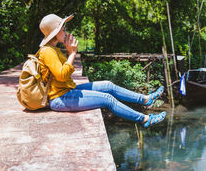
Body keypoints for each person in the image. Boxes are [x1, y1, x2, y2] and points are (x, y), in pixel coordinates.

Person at [37, 13, 166, 128]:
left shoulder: (54, 49)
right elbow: (61, 76)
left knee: (108, 86)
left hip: (67, 92)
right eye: (63, 28)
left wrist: (70, 52)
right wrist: (72, 53)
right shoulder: (47, 51)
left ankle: (145, 99)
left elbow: (62, 74)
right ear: (56, 31)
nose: (65, 30)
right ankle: (145, 119)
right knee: (107, 99)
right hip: (60, 99)